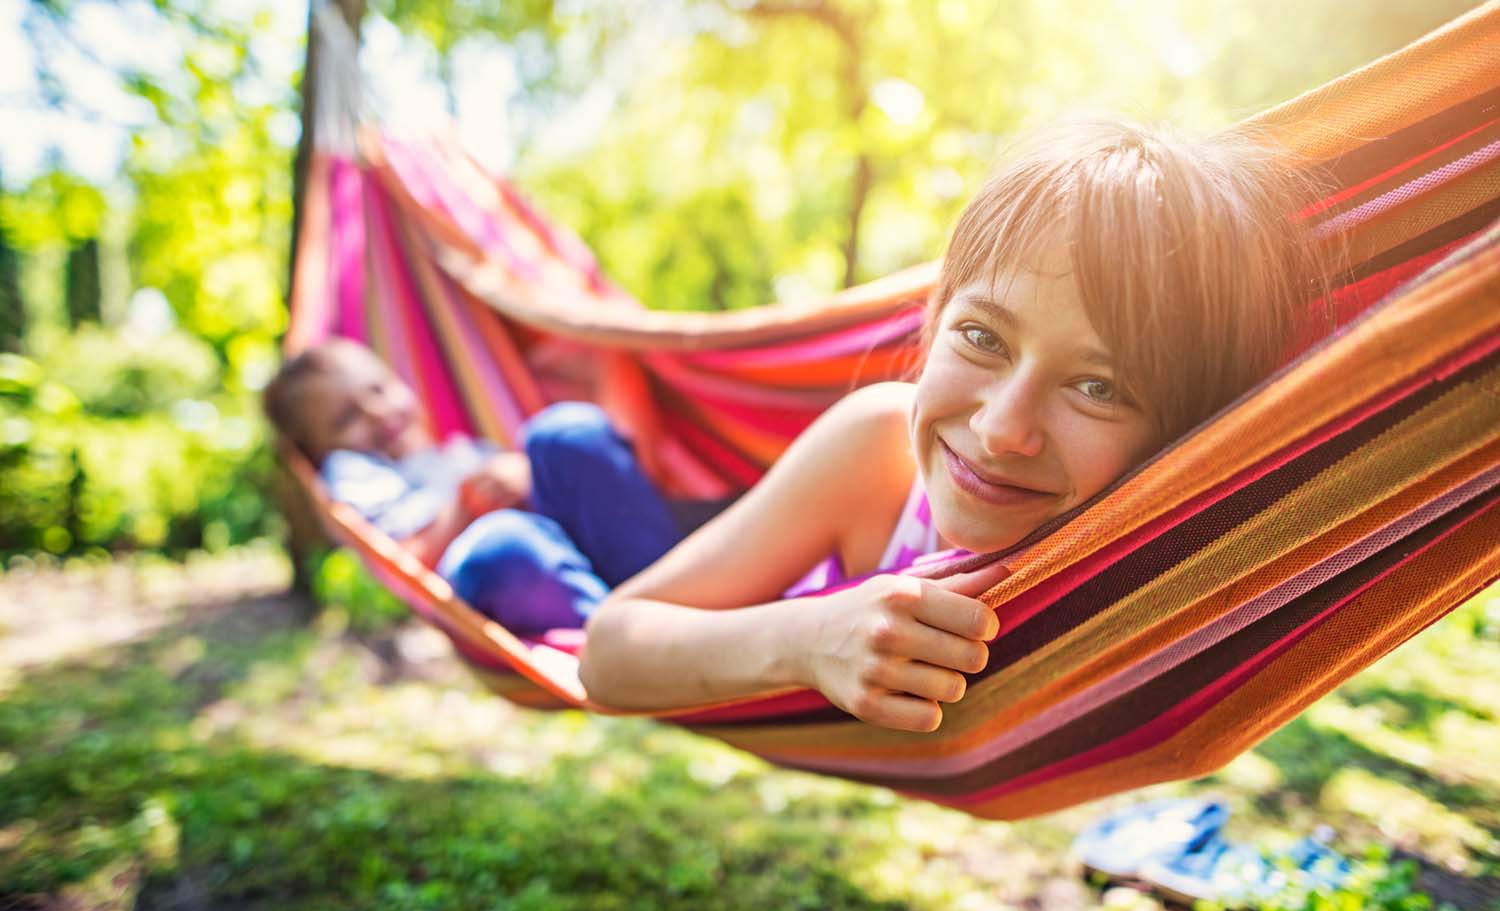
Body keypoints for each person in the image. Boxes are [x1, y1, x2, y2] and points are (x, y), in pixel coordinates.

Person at [577, 120, 1334, 732]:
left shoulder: (1152, 566)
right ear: (934, 323)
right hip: (731, 600)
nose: (1004, 429)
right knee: (545, 485)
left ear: (1181, 438)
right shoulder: (877, 450)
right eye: (982, 338)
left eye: (1099, 386)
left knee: (513, 540)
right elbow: (608, 651)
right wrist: (808, 642)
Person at [262, 339, 686, 634]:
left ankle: (684, 591)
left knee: (561, 432)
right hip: (508, 573)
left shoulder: (462, 451)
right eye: (345, 419)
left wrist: (524, 472)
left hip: (606, 558)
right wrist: (469, 503)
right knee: (501, 545)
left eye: (379, 388)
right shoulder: (355, 473)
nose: (376, 412)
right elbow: (408, 557)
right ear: (316, 453)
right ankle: (640, 635)